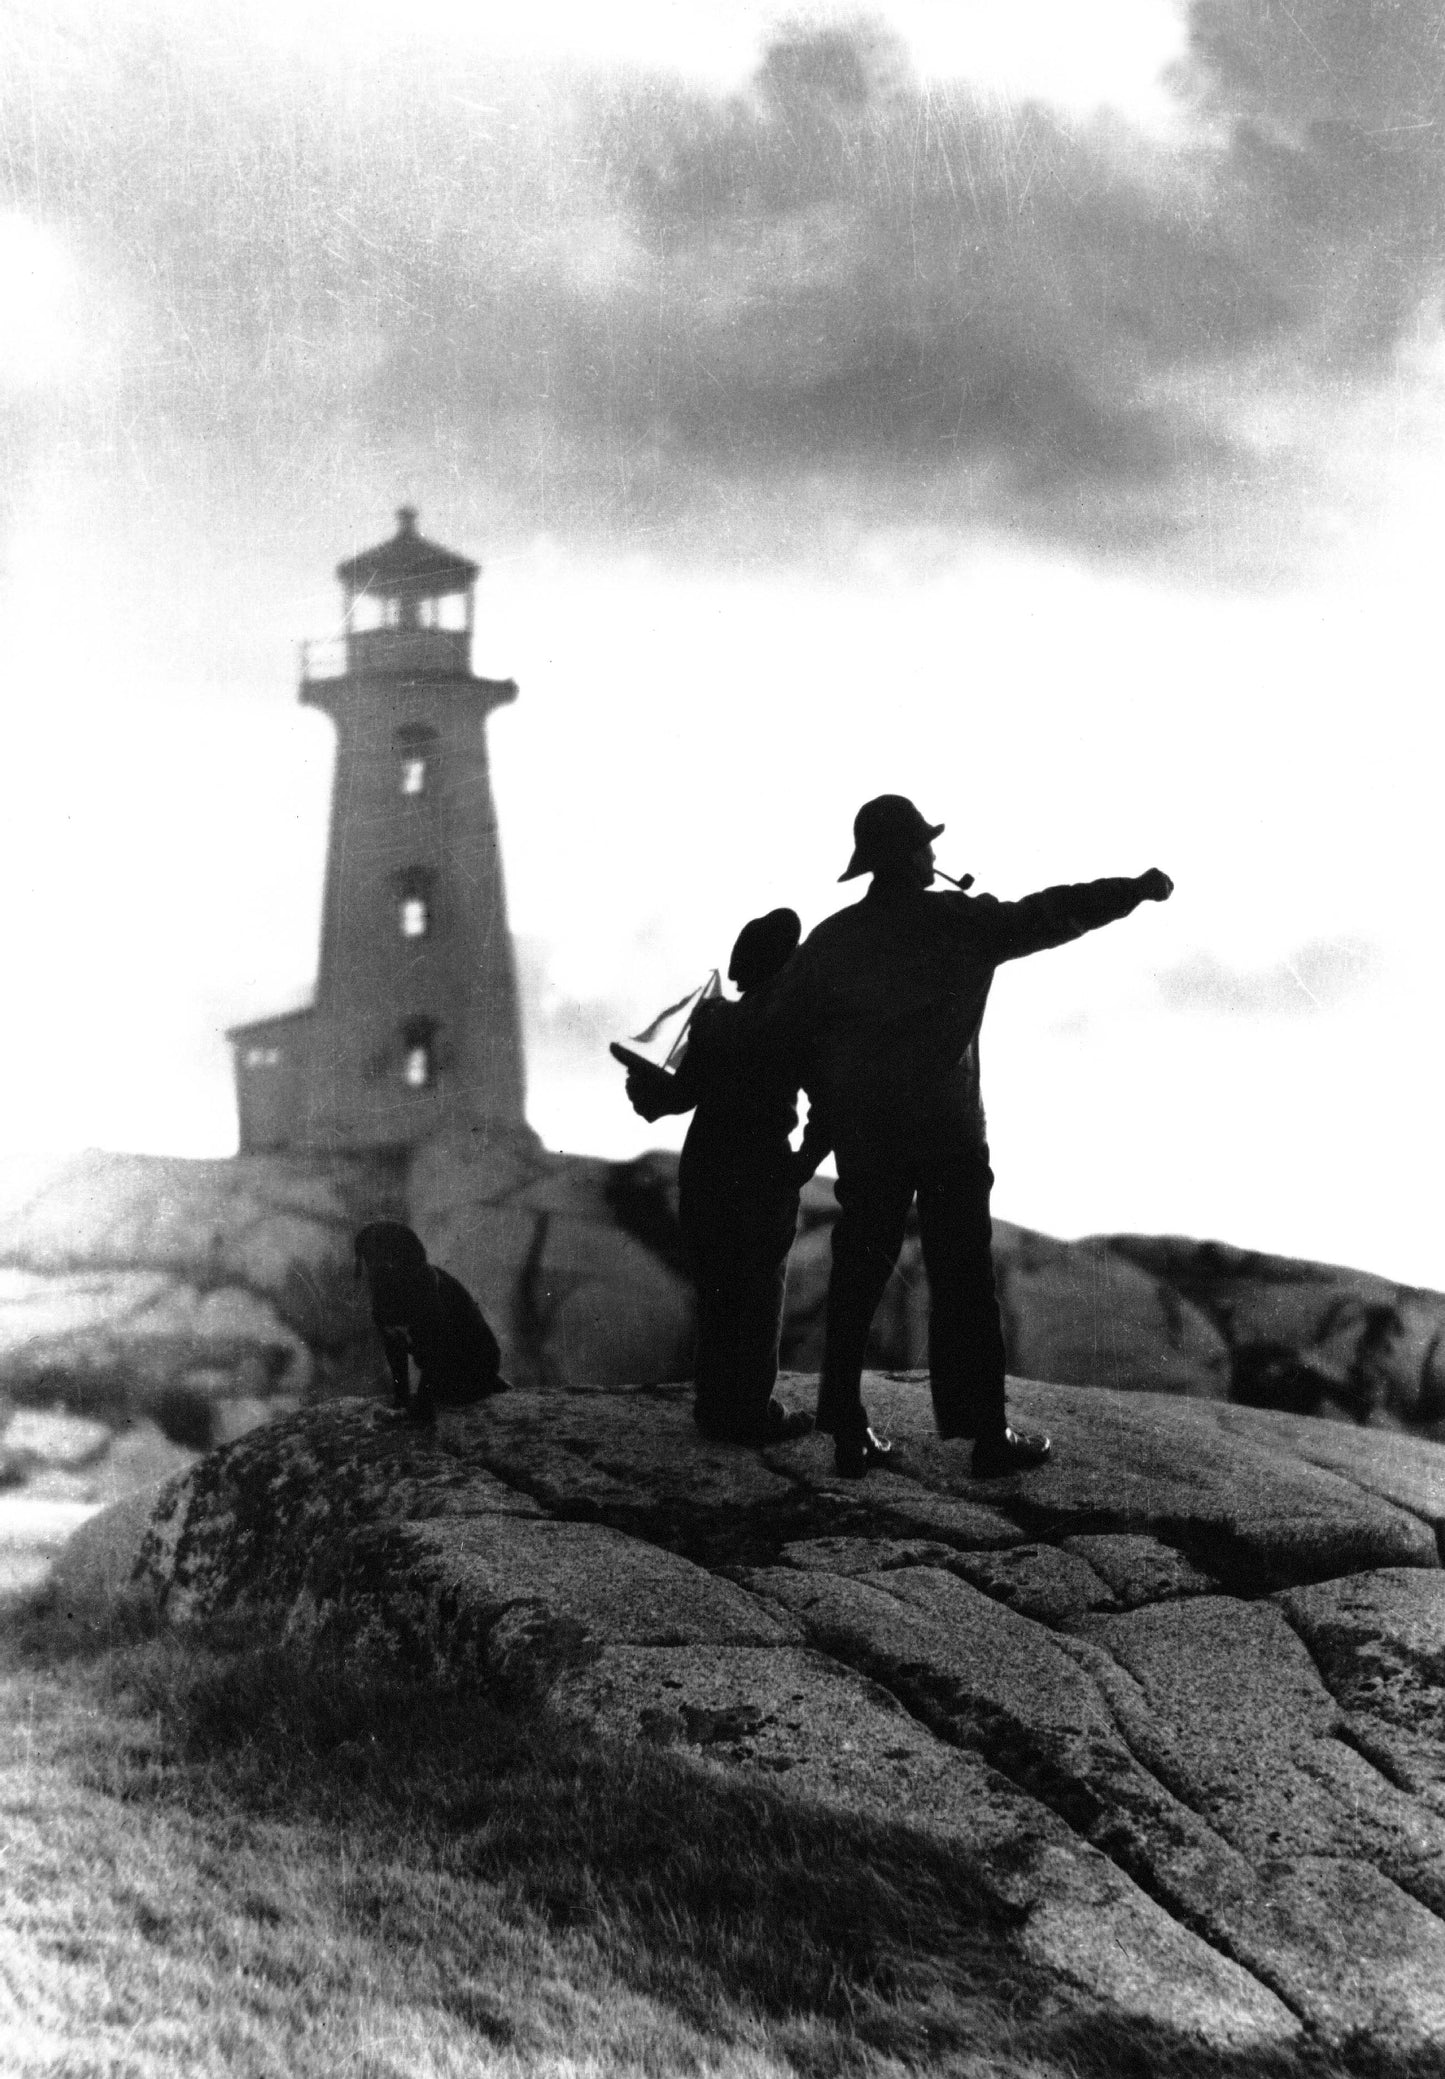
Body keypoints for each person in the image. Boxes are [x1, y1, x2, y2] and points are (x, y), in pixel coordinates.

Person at [769, 795, 1173, 1479]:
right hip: (948, 1133)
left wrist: (815, 1133)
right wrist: (1132, 890)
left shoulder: (832, 941)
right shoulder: (958, 921)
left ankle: (843, 1416)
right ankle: (983, 1431)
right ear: (911, 857)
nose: (933, 855)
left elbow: (794, 1036)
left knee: (858, 1273)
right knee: (963, 1278)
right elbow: (1051, 912)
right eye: (925, 845)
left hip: (866, 1135)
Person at [621, 909, 829, 1445]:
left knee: (717, 1293)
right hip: (761, 1175)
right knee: (758, 1297)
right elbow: (831, 1104)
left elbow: (664, 1101)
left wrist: (638, 1083)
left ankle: (714, 1407)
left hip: (706, 1171)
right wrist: (802, 1163)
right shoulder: (795, 1026)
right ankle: (751, 1414)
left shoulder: (711, 1022)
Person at [353, 1221, 509, 1427]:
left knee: (448, 1393)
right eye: (370, 1258)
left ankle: (482, 1385)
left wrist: (422, 1405)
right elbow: (395, 1350)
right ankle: (407, 1401)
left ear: (408, 1258)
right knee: (405, 1356)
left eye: (388, 1259)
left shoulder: (428, 1292)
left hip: (475, 1366)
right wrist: (402, 1401)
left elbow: (437, 1349)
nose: (378, 1268)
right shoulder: (382, 1304)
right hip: (441, 1373)